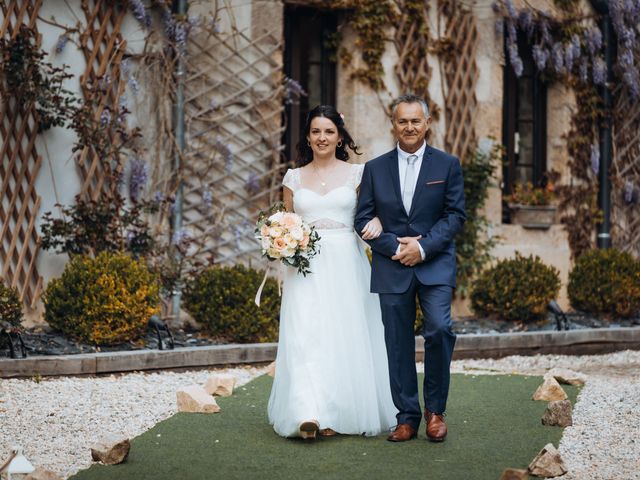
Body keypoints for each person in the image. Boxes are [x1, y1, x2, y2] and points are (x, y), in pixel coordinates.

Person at [267, 105, 397, 440]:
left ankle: (338, 410)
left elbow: (374, 214)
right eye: (315, 131)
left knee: (343, 334)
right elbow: (286, 222)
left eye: (328, 131)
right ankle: (307, 412)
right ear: (307, 137)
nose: (321, 138)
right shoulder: (293, 178)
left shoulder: (357, 174)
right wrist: (279, 241)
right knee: (305, 335)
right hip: (305, 268)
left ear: (340, 136)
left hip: (346, 264)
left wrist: (379, 221)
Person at [355, 94, 466, 442]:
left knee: (438, 329)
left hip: (435, 265)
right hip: (392, 267)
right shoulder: (374, 169)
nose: (409, 127)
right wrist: (397, 249)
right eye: (402, 121)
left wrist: (422, 247)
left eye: (416, 121)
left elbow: (455, 216)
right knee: (397, 342)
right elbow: (361, 219)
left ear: (428, 123)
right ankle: (407, 416)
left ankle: (436, 411)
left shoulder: (447, 165)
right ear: (393, 124)